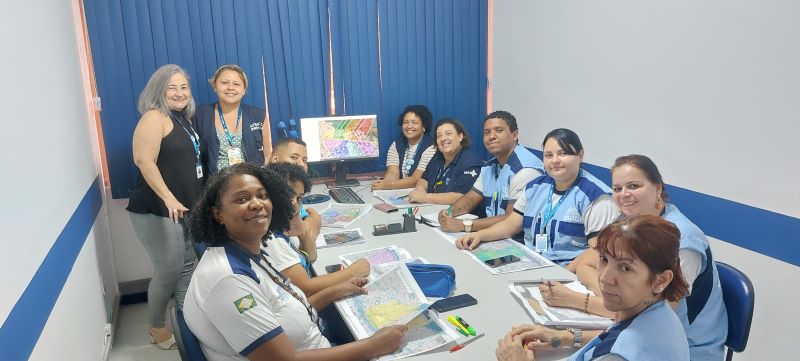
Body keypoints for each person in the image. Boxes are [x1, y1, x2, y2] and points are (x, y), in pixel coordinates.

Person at [184, 163, 406, 360]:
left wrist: (334, 291)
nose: (256, 204)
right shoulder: (229, 280)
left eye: (262, 196)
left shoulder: (252, 249)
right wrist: (373, 346)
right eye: (242, 199)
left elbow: (285, 309)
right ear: (218, 214)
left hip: (317, 343)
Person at [542, 155, 728, 360]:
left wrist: (578, 300)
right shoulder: (630, 221)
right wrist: (614, 293)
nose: (624, 195)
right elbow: (585, 262)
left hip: (687, 349)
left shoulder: (682, 242)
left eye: (633, 186)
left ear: (658, 188)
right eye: (617, 189)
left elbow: (647, 312)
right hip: (628, 332)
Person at [495, 215, 690, 361]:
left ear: (661, 280)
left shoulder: (621, 355)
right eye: (604, 259)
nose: (604, 278)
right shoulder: (657, 314)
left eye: (625, 268)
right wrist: (564, 337)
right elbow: (618, 334)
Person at [126, 64, 204, 349]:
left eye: (184, 87)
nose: (180, 92)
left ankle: (187, 320)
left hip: (183, 208)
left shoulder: (182, 118)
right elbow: (143, 160)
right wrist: (168, 197)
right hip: (156, 209)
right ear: (159, 90)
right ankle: (156, 327)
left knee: (187, 265)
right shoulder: (154, 117)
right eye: (172, 87)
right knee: (169, 270)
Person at [456, 128, 617, 265]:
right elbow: (512, 224)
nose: (555, 161)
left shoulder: (596, 197)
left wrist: (566, 273)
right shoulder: (536, 186)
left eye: (563, 154)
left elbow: (598, 252)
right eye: (548, 155)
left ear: (580, 155)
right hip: (530, 262)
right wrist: (479, 235)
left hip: (567, 272)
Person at [263, 162, 371, 295]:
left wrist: (301, 230)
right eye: (288, 196)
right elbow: (306, 288)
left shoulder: (282, 229)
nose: (294, 204)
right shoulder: (272, 239)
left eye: (299, 198)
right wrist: (353, 272)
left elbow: (311, 256)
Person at [437, 111, 543, 236]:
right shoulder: (489, 166)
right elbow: (470, 199)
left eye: (498, 130)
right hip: (495, 235)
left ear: (515, 135)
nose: (491, 136)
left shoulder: (525, 170)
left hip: (519, 241)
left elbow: (512, 219)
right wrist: (449, 212)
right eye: (487, 132)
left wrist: (465, 225)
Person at [194, 64, 270, 175]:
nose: (230, 88)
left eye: (236, 84)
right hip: (215, 185)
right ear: (214, 86)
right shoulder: (200, 115)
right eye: (224, 83)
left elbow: (268, 156)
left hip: (251, 183)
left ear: (244, 90)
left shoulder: (259, 115)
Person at [407, 118, 483, 205]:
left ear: (460, 137)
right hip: (432, 209)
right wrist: (420, 190)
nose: (443, 138)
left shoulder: (471, 162)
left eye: (448, 133)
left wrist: (424, 197)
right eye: (439, 136)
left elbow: (460, 197)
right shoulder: (438, 157)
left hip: (460, 215)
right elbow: (424, 179)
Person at [268, 137, 321, 248]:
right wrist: (312, 223)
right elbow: (303, 231)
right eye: (294, 157)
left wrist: (311, 221)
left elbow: (303, 221)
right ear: (274, 158)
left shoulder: (296, 187)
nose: (301, 164)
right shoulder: (270, 190)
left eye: (304, 160)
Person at [371, 105, 437, 190]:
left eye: (414, 122)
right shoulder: (396, 145)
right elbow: (392, 172)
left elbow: (416, 179)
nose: (409, 126)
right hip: (401, 192)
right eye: (405, 122)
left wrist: (388, 186)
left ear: (424, 126)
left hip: (421, 193)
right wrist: (385, 184)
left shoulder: (431, 147)